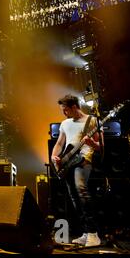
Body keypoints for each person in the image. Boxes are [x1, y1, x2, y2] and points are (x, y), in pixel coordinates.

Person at [51, 95, 102, 247]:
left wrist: (92, 143)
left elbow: (100, 146)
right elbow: (60, 144)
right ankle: (86, 233)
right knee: (74, 197)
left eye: (65, 110)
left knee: (81, 190)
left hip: (83, 160)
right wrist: (54, 156)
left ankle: (94, 234)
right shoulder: (65, 123)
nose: (64, 113)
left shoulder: (91, 121)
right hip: (67, 162)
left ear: (74, 107)